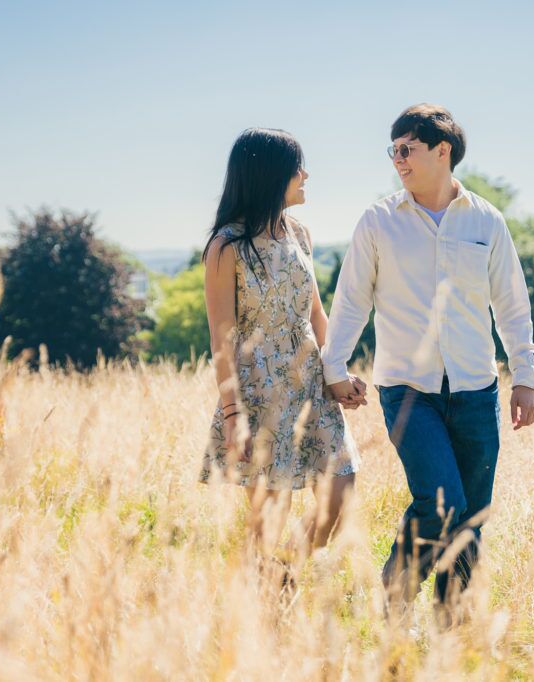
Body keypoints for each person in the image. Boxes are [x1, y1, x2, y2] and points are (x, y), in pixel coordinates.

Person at [321, 104, 534, 622]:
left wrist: (525, 378)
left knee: (470, 518)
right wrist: (335, 369)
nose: (396, 159)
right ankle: (393, 604)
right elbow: (351, 299)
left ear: (442, 151)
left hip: (476, 389)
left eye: (406, 149)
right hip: (407, 390)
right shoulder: (378, 221)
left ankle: (454, 629)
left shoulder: (487, 220)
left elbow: (512, 304)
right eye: (392, 151)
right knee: (440, 503)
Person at [199, 128, 366, 578]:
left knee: (340, 496)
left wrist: (338, 373)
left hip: (312, 383)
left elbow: (316, 314)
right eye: (297, 166)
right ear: (269, 174)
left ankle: (283, 572)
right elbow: (222, 339)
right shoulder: (226, 247)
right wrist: (235, 416)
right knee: (268, 518)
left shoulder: (300, 234)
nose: (306, 174)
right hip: (259, 392)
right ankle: (266, 611)